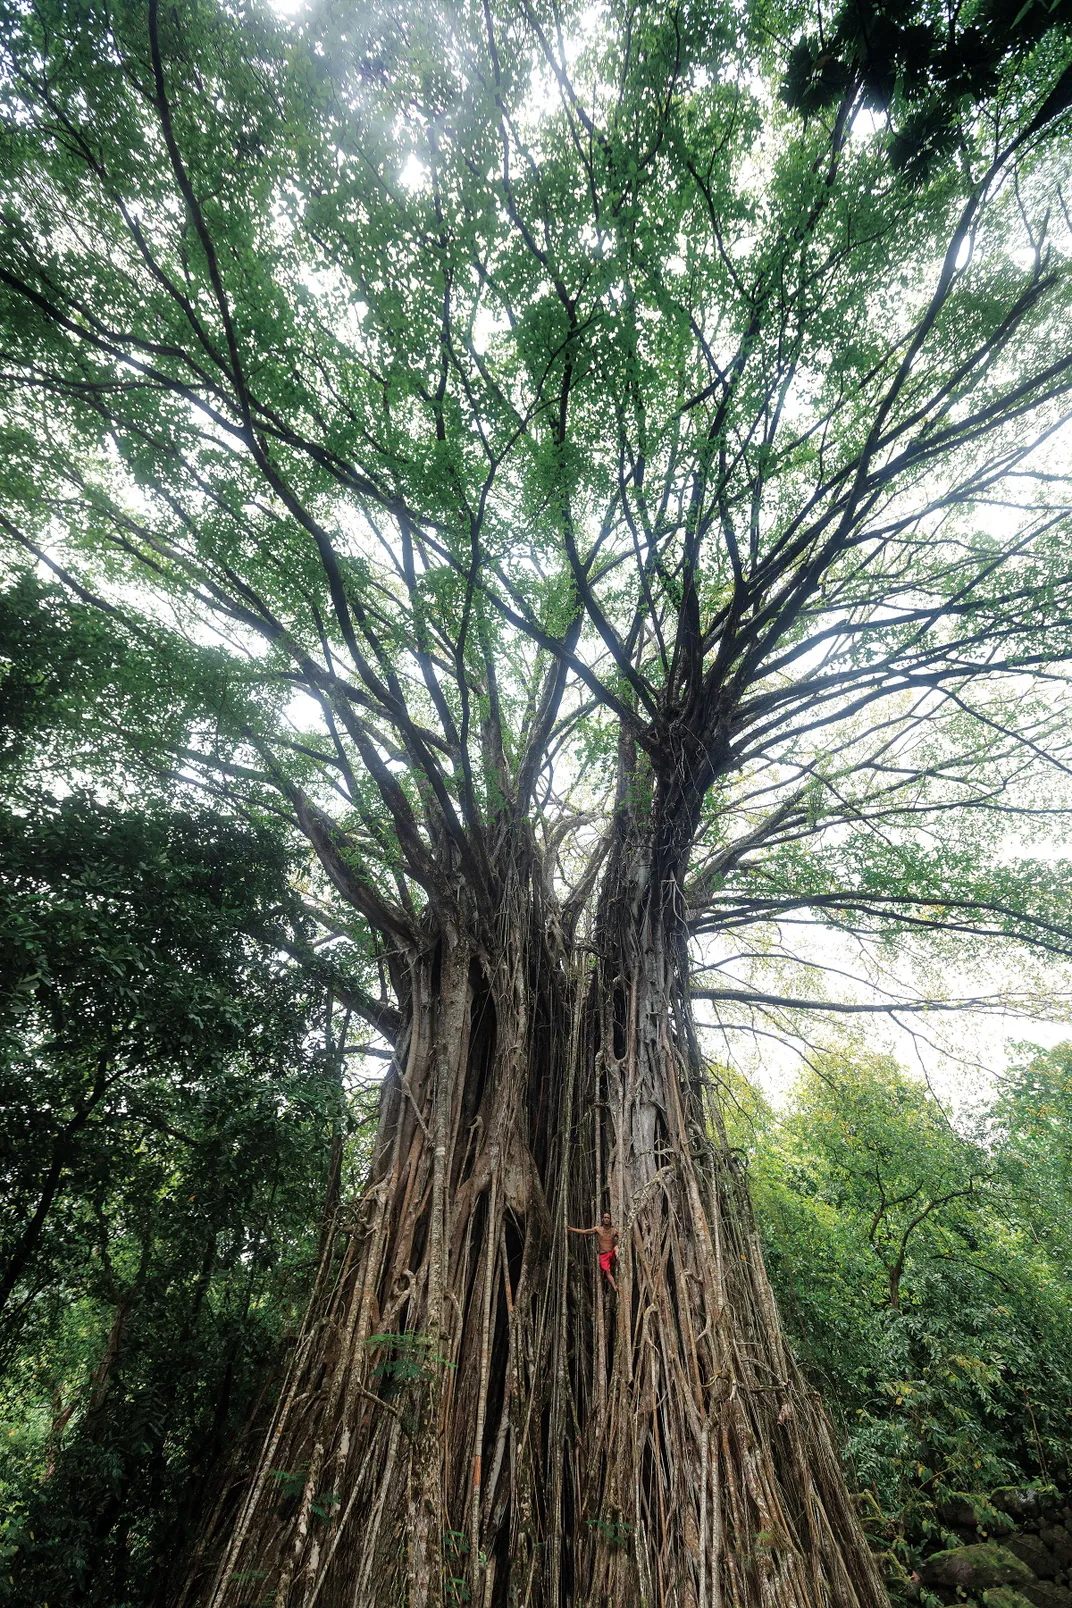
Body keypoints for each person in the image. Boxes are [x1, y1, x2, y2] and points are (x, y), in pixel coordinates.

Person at [567, 1211, 619, 1292]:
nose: (606, 1219)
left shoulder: (614, 1231)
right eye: (605, 1217)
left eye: (608, 1218)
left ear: (610, 1220)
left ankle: (619, 1259)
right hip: (603, 1255)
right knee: (607, 1272)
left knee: (616, 1247)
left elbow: (623, 1236)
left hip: (612, 1253)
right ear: (602, 1219)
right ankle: (615, 1287)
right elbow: (585, 1231)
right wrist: (571, 1229)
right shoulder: (598, 1229)